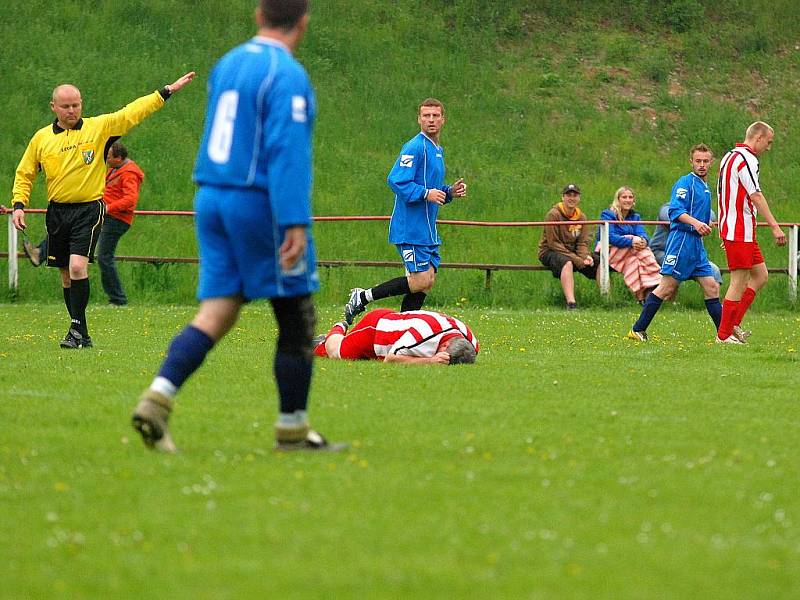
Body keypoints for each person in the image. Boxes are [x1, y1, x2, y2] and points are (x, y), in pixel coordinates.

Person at [132, 0, 343, 453]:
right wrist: (294, 221)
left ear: (257, 15)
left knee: (219, 311)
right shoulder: (287, 75)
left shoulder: (228, 63)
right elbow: (287, 152)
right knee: (296, 314)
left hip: (210, 195)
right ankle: (292, 430)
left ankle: (158, 397)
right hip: (255, 201)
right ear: (303, 23)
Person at [10, 71, 195, 348]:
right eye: (66, 106)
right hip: (58, 211)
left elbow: (132, 112)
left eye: (76, 105)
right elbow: (25, 173)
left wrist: (165, 91)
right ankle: (80, 332)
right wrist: (19, 205)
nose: (72, 110)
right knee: (65, 273)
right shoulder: (41, 139)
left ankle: (75, 330)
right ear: (53, 107)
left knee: (76, 266)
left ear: (81, 104)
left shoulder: (99, 128)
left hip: (89, 209)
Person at [341, 98, 467, 324]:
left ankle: (401, 330)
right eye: (426, 116)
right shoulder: (415, 147)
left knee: (427, 281)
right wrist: (425, 193)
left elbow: (432, 189)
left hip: (427, 230)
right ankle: (362, 296)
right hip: (410, 228)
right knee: (419, 281)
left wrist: (449, 192)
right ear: (419, 119)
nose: (431, 120)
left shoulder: (437, 150)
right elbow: (396, 180)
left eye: (435, 116)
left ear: (443, 120)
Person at [626, 144, 723, 341]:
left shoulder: (705, 187)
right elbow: (675, 212)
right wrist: (696, 224)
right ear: (691, 162)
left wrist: (713, 228)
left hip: (696, 246)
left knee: (712, 286)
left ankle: (724, 334)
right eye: (698, 161)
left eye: (705, 161)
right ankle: (637, 329)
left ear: (711, 163)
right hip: (682, 243)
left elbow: (705, 218)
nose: (702, 165)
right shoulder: (684, 183)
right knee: (666, 287)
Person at [716, 121, 786, 343]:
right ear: (758, 138)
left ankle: (733, 323)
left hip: (736, 229)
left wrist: (723, 229)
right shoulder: (747, 159)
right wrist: (775, 226)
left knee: (760, 275)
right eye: (769, 142)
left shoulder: (728, 156)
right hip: (739, 230)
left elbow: (722, 195)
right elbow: (755, 194)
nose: (769, 147)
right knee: (738, 280)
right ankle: (723, 335)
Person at [314, 309, 478, 365]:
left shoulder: (470, 342)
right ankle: (337, 328)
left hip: (398, 329)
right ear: (445, 345)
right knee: (337, 353)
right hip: (375, 328)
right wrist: (430, 361)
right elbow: (390, 359)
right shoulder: (424, 334)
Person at [537, 183, 600, 309]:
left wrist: (585, 256)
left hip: (572, 252)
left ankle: (605, 299)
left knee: (598, 261)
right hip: (550, 251)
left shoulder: (581, 217)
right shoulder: (553, 214)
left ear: (579, 198)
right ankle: (571, 303)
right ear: (563, 197)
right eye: (568, 195)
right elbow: (553, 242)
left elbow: (582, 242)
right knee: (568, 263)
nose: (572, 198)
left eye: (575, 195)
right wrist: (576, 259)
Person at [596, 186, 661, 303]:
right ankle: (655, 279)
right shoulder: (608, 214)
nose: (627, 200)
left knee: (634, 262)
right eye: (624, 197)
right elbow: (609, 237)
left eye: (630, 197)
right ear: (618, 199)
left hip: (631, 253)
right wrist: (631, 241)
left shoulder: (635, 217)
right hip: (611, 250)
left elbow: (642, 233)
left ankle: (643, 296)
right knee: (640, 248)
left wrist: (643, 241)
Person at [650, 201, 723, 285]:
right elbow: (671, 217)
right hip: (663, 252)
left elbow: (712, 215)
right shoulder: (668, 207)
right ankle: (664, 296)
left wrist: (699, 219)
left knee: (715, 271)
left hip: (691, 256)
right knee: (675, 273)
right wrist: (700, 221)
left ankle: (714, 297)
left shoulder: (698, 207)